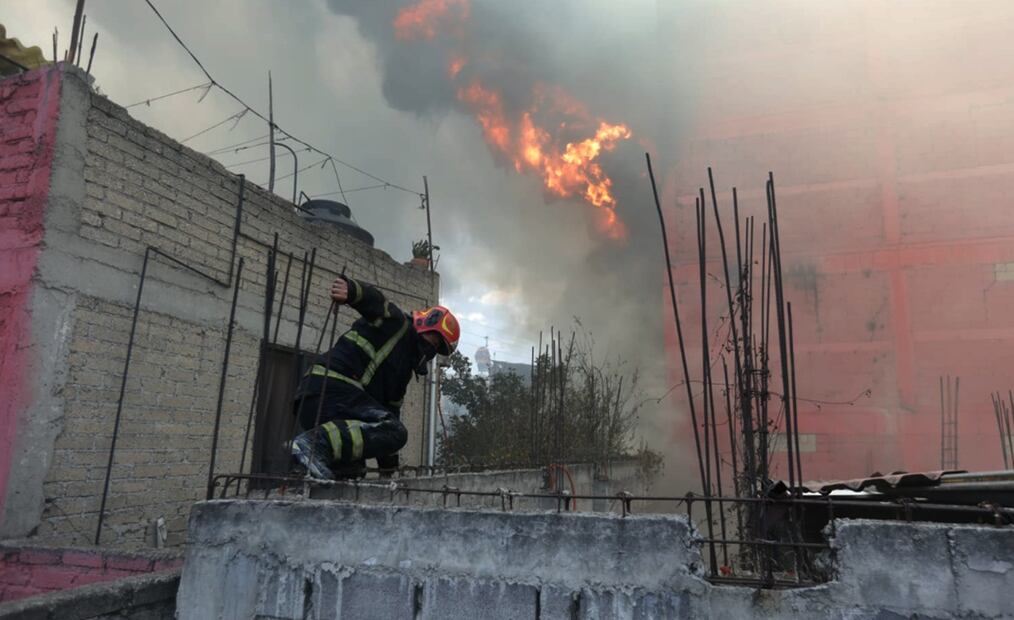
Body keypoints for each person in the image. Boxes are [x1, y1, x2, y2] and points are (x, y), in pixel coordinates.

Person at [290, 274, 459, 479]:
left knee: (352, 471)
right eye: (434, 339)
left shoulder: (403, 371)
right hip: (329, 390)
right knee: (397, 432)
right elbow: (377, 303)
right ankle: (313, 444)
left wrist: (388, 471)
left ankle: (303, 476)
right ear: (426, 323)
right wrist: (352, 291)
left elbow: (388, 416)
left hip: (337, 410)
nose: (432, 348)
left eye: (438, 348)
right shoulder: (398, 324)